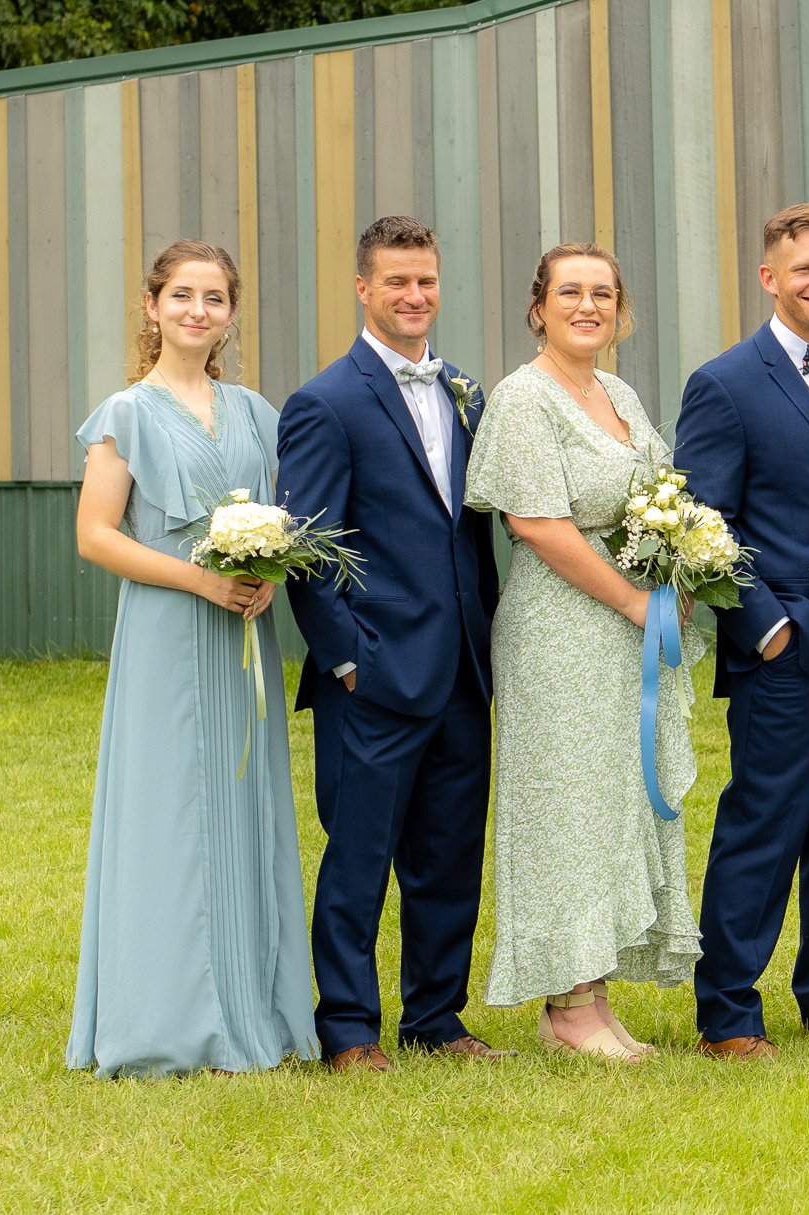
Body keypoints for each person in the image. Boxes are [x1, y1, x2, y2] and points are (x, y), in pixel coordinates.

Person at [68, 240, 316, 1078]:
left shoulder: (255, 411)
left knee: (245, 809)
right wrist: (199, 582)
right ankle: (165, 1023)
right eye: (182, 296)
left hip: (244, 633)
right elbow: (95, 535)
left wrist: (267, 578)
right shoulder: (126, 413)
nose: (197, 311)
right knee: (170, 817)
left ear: (232, 314)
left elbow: (284, 515)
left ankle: (256, 1011)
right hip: (167, 636)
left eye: (214, 298)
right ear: (152, 306)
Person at [279, 216, 507, 1073]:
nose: (416, 297)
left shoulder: (467, 394)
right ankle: (347, 1028)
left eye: (428, 282)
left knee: (449, 857)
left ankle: (437, 1019)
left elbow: (471, 538)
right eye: (397, 282)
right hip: (371, 674)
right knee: (360, 859)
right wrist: (347, 659)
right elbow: (307, 549)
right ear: (364, 289)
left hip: (461, 672)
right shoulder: (325, 401)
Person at [464, 244, 702, 1061]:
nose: (588, 305)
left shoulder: (620, 394)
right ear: (539, 306)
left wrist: (683, 564)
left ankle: (593, 995)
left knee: (610, 803)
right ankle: (567, 1004)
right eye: (571, 291)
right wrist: (637, 598)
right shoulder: (523, 398)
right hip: (560, 628)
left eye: (604, 291)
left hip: (624, 631)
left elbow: (660, 501)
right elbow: (537, 523)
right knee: (563, 808)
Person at [675, 204, 809, 1059]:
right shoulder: (726, 382)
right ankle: (728, 1009)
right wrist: (768, 626)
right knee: (763, 825)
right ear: (770, 277)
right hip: (783, 651)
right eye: (806, 268)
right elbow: (701, 523)